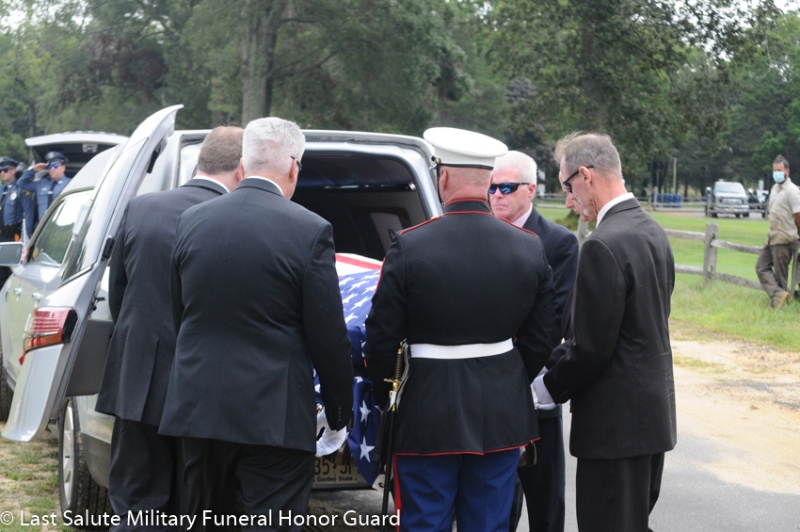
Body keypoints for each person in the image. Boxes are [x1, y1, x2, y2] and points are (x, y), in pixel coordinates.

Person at [159, 117, 354, 531]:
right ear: (294, 168)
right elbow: (328, 336)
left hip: (198, 406)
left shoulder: (192, 220)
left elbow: (181, 313)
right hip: (273, 413)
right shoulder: (310, 230)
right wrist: (339, 413)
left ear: (243, 165)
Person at [365, 127, 557, 531]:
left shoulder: (410, 245)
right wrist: (506, 377)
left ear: (444, 177)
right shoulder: (528, 246)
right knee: (488, 523)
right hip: (501, 412)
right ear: (488, 181)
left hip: (426, 408)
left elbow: (382, 335)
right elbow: (543, 334)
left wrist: (388, 394)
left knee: (424, 521)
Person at [95, 126, 245, 530]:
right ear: (242, 169)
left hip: (139, 379)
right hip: (205, 389)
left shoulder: (141, 208)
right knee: (194, 506)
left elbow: (119, 293)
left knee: (134, 501)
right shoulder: (240, 221)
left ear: (202, 161)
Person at [533, 132, 676, 532]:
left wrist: (542, 390)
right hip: (650, 421)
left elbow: (592, 348)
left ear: (585, 175)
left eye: (567, 188)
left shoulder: (602, 244)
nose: (568, 201)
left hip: (614, 428)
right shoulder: (651, 230)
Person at [490, 151, 578, 532]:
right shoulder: (482, 237)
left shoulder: (559, 243)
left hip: (535, 394)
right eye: (492, 188)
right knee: (497, 510)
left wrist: (523, 377)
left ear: (530, 190)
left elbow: (555, 322)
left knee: (545, 508)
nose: (497, 195)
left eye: (506, 187)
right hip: (490, 398)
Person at [756, 154, 800, 309]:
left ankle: (779, 305)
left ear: (787, 171)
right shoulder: (775, 188)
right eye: (774, 170)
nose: (776, 173)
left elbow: (798, 215)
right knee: (761, 267)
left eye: (779, 170)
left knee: (781, 275)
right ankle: (778, 294)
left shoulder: (792, 191)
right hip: (773, 237)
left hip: (785, 238)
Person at [17, 151, 71, 238]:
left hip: (62, 229)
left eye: (55, 165)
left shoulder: (70, 183)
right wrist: (33, 170)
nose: (52, 168)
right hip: (43, 230)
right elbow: (21, 183)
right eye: (49, 166)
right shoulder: (41, 183)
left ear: (63, 167)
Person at [0, 157, 23, 288]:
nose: (2, 173)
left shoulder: (20, 188)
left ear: (13, 170)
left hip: (13, 236)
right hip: (1, 236)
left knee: (11, 271)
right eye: (0, 171)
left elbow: (27, 213)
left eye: (5, 170)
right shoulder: (0, 189)